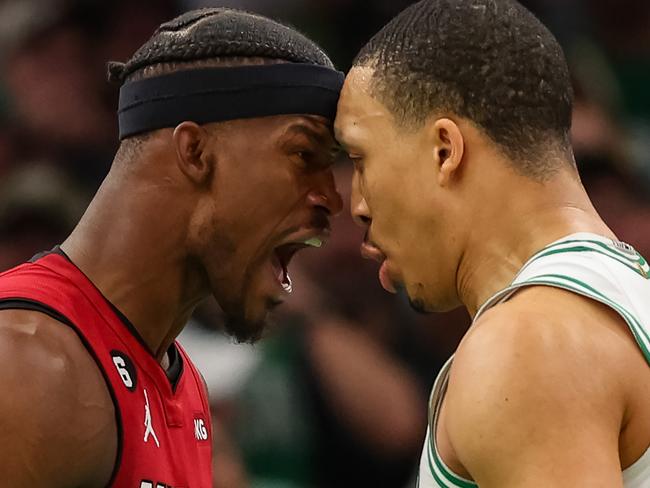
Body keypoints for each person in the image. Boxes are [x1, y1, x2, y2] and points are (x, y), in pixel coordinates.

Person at [0, 7, 343, 487]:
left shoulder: (185, 387)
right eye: (304, 154)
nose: (332, 198)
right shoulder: (27, 364)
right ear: (196, 153)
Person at [334, 0, 650, 486]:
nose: (356, 204)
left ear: (445, 150)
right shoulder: (629, 291)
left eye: (360, 158)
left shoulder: (526, 346)